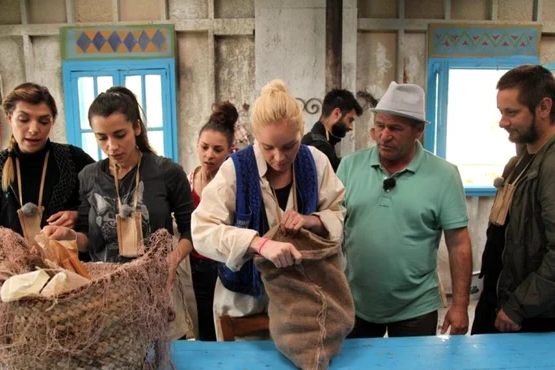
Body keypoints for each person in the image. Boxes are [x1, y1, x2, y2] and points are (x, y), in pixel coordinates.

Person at [191, 79, 346, 338]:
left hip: (303, 301)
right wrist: (258, 244)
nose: (278, 157)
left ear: (301, 132)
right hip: (244, 304)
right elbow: (202, 232)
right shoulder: (235, 170)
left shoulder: (316, 163)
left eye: (289, 146)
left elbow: (338, 213)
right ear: (255, 138)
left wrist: (313, 220)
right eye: (267, 148)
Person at [0, 83, 95, 319]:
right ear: (9, 117)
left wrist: (78, 214)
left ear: (52, 122)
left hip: (68, 286)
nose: (34, 129)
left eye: (44, 121)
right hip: (14, 289)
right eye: (24, 119)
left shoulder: (74, 159)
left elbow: (107, 205)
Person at [337, 81, 472, 338]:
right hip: (356, 303)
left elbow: (459, 244)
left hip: (416, 307)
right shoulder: (349, 167)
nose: (384, 135)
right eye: (380, 126)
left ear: (418, 130)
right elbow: (330, 227)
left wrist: (460, 305)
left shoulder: (443, 175)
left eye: (395, 128)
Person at [471, 65, 555, 334]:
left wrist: (519, 305)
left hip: (525, 311)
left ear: (544, 107)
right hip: (502, 296)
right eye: (501, 112)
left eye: (512, 112)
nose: (503, 122)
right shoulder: (527, 157)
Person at [44, 87, 194, 293]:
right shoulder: (89, 176)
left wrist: (171, 261)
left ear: (137, 128)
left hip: (155, 284)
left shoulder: (167, 172)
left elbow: (191, 231)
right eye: (102, 138)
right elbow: (88, 240)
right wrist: (68, 235)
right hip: (106, 290)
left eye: (120, 135)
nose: (112, 146)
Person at [188, 101, 239, 341]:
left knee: (225, 326)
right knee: (202, 328)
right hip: (194, 268)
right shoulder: (187, 181)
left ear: (230, 150)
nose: (209, 155)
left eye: (217, 150)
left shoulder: (233, 186)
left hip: (224, 267)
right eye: (204, 147)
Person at [301, 89, 363, 172]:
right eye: (350, 120)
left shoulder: (313, 139)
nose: (351, 127)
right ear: (336, 114)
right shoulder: (320, 147)